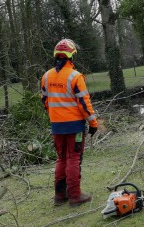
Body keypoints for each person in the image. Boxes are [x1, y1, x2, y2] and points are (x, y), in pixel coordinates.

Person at [41, 39, 99, 207]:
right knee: (73, 158)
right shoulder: (75, 76)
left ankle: (60, 196)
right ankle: (75, 195)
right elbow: (84, 104)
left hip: (56, 126)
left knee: (61, 158)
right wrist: (93, 123)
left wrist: (55, 116)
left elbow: (44, 101)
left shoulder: (46, 76)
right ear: (71, 56)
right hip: (74, 127)